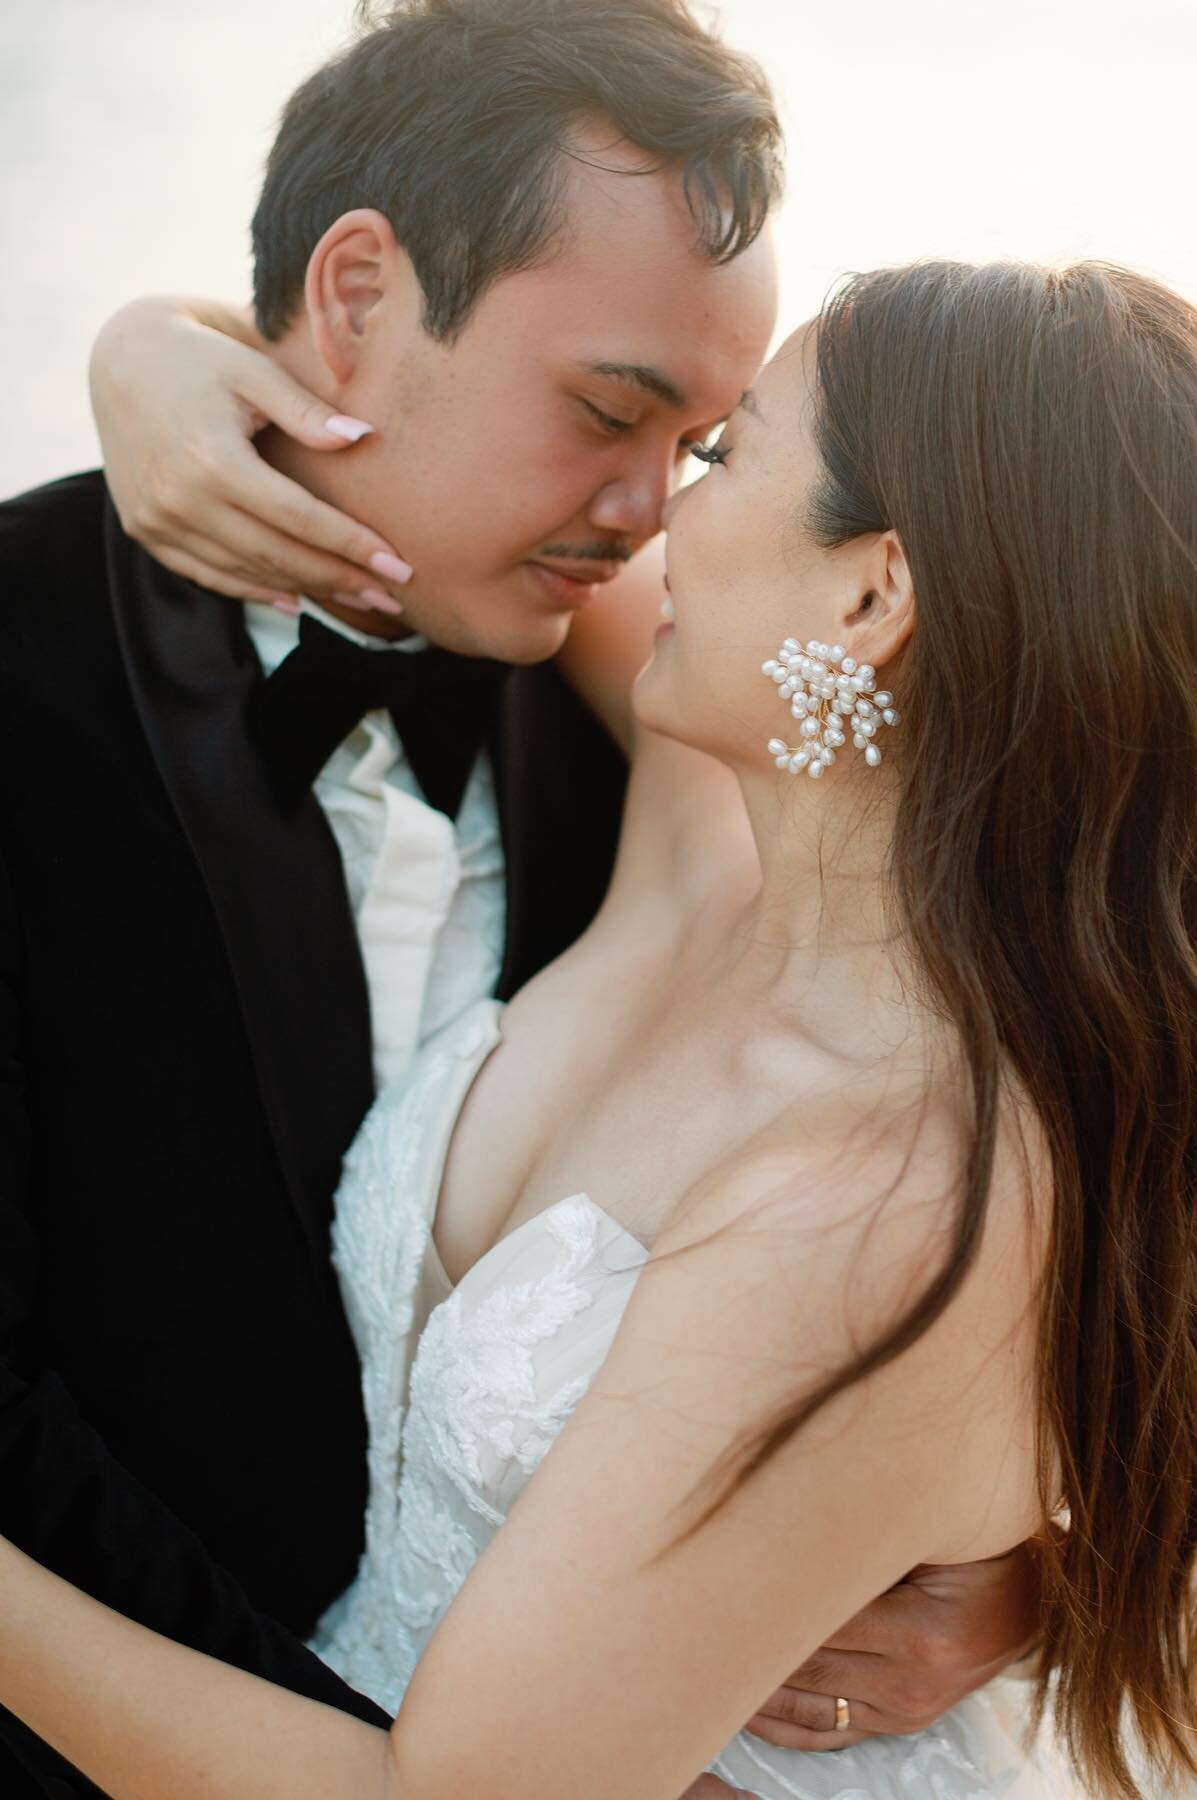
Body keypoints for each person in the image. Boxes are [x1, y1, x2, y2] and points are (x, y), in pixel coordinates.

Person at [0, 250, 1197, 1797]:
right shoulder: (711, 827)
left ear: (873, 594)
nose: (648, 512)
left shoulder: (874, 1205)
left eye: (719, 456)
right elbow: (451, 415)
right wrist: (148, 355)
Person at [0, 5, 1041, 1796]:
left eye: (710, 446)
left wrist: (1031, 1568)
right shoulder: (18, 665)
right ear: (354, 298)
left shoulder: (677, 723)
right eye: (610, 412)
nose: (648, 512)